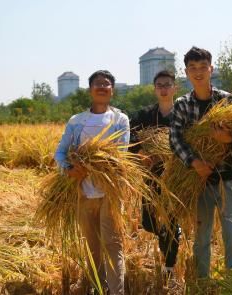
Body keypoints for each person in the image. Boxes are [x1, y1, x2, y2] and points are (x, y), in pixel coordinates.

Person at [169, 47, 232, 278]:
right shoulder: (182, 104)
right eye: (193, 68)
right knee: (202, 234)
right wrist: (194, 163)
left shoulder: (226, 100)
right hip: (198, 180)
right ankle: (201, 282)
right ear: (186, 72)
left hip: (227, 175)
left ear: (211, 69)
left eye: (203, 67)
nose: (198, 72)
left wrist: (229, 138)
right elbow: (175, 138)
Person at [55, 70, 129, 295]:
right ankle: (97, 288)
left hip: (110, 193)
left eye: (106, 84)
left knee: (113, 246)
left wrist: (98, 165)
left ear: (112, 90)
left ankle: (116, 292)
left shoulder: (119, 119)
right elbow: (59, 153)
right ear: (90, 90)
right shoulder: (77, 121)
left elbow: (122, 155)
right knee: (92, 247)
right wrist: (69, 170)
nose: (102, 87)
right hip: (83, 193)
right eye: (97, 84)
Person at [130, 69, 182, 279]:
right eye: (160, 85)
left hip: (176, 177)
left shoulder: (183, 112)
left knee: (170, 222)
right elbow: (130, 136)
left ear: (174, 88)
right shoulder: (145, 115)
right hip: (151, 176)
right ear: (155, 89)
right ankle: (165, 234)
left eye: (167, 84)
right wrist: (142, 153)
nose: (163, 89)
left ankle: (169, 266)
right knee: (148, 222)